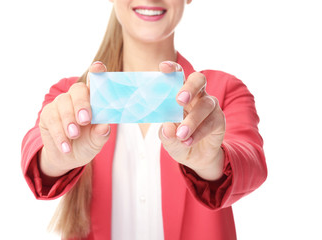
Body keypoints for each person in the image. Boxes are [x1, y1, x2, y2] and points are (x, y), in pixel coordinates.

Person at [21, 0, 267, 239]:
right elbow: (36, 149)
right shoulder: (71, 97)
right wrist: (54, 159)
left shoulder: (223, 92)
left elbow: (251, 161)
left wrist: (212, 163)